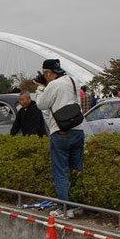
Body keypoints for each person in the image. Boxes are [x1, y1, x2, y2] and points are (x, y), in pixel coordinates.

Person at [34, 58, 85, 203]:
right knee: (77, 170)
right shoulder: (74, 81)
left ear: (48, 73)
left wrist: (40, 88)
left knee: (61, 172)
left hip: (60, 132)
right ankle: (78, 203)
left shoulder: (53, 85)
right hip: (77, 130)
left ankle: (65, 207)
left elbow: (41, 104)